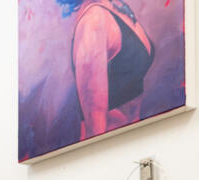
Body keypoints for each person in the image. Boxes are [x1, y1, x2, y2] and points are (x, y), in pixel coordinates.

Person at [60, 0, 154, 139]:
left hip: (133, 144)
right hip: (111, 150)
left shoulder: (116, 6)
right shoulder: (93, 22)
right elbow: (95, 129)